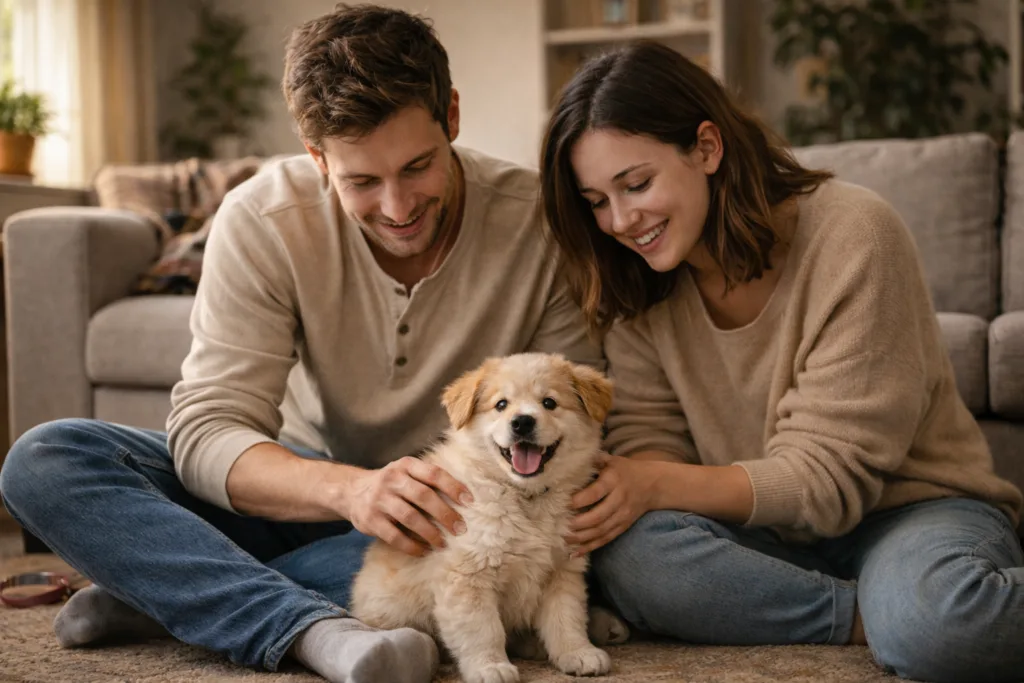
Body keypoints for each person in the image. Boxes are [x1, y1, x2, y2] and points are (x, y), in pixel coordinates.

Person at [0, 5, 602, 683]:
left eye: (418, 166)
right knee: (45, 459)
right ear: (317, 156)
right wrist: (349, 490)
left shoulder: (542, 224)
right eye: (362, 182)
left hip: (456, 524)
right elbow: (207, 430)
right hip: (304, 492)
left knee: (442, 571)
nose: (398, 207)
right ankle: (306, 625)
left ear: (452, 115)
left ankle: (178, 595)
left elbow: (577, 420)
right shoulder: (262, 218)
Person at [540, 39, 1024, 683]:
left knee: (947, 627)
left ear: (707, 148)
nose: (622, 220)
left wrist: (652, 484)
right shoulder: (636, 284)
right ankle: (873, 614)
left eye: (636, 184)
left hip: (905, 511)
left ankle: (911, 606)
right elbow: (652, 446)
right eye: (597, 201)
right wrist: (627, 488)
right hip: (758, 534)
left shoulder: (854, 233)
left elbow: (828, 480)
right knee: (626, 556)